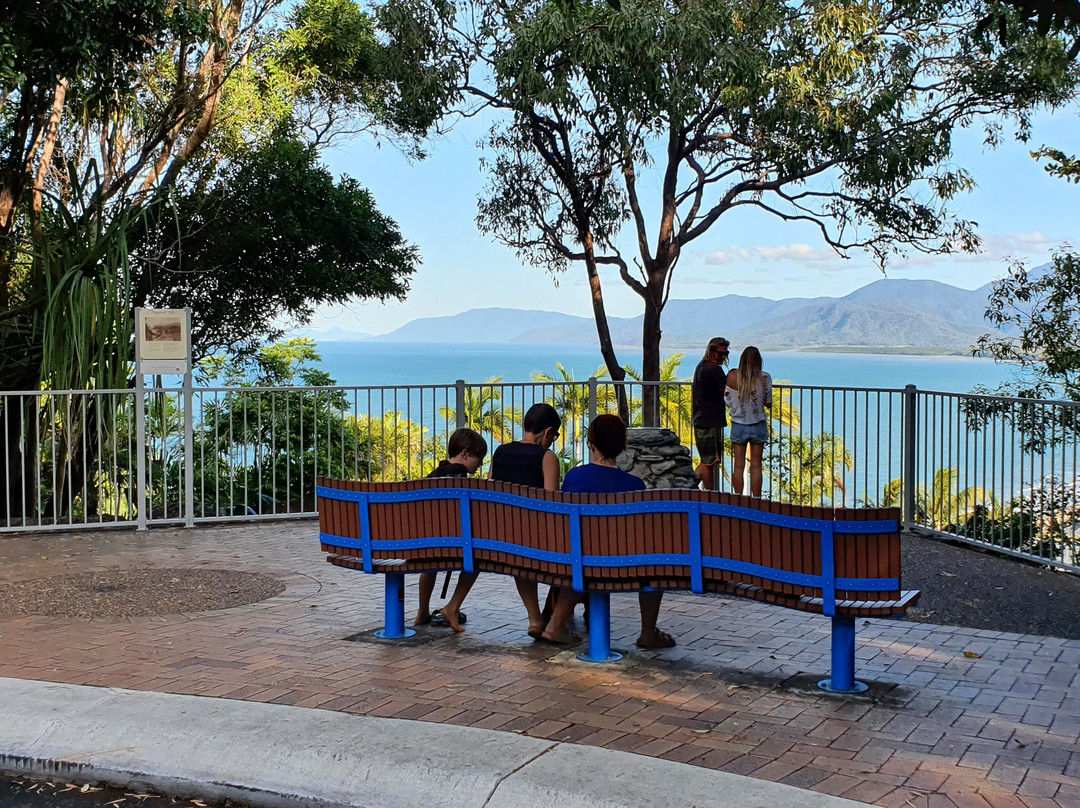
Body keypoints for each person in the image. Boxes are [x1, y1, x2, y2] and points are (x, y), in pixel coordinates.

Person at [548, 414, 676, 649]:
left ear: (591, 445)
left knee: (579, 557)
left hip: (578, 562)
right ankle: (648, 632)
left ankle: (555, 624)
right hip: (622, 566)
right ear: (622, 447)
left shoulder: (575, 477)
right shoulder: (634, 486)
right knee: (656, 565)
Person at [489, 402, 562, 639]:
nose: (553, 441)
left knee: (519, 544)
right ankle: (557, 619)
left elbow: (489, 494)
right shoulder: (546, 457)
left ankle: (535, 619)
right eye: (555, 436)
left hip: (502, 537)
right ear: (548, 431)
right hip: (536, 540)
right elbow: (552, 503)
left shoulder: (500, 452)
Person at [415, 428, 488, 629]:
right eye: (479, 457)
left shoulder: (434, 474)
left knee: (430, 565)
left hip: (422, 546)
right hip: (447, 544)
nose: (481, 463)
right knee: (478, 558)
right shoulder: (458, 475)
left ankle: (422, 611)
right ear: (465, 454)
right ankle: (452, 606)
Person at [725, 346, 772, 497]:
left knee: (739, 466)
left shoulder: (732, 377)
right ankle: (757, 499)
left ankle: (738, 500)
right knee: (757, 466)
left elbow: (727, 400)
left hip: (739, 425)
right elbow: (768, 402)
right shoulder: (765, 378)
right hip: (758, 424)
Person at [692, 337, 730, 491]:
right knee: (709, 462)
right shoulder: (714, 369)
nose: (723, 357)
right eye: (721, 354)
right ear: (711, 351)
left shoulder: (701, 367)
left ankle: (689, 488)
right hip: (710, 421)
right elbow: (726, 393)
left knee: (708, 460)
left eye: (726, 354)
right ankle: (709, 495)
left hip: (701, 419)